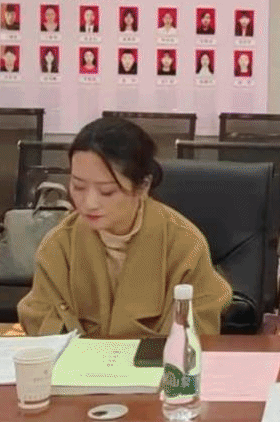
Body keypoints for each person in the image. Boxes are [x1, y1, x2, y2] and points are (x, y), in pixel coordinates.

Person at [18, 117, 232, 338]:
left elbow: (196, 328)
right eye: (78, 186)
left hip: (157, 359)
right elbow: (40, 319)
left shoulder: (184, 244)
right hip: (80, 360)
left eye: (107, 191)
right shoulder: (59, 245)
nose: (89, 203)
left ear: (143, 186)